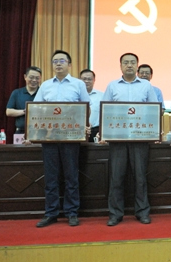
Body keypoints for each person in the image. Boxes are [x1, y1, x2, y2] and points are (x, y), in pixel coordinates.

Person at [32, 50, 90, 228]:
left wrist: (84, 127)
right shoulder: (45, 85)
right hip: (49, 137)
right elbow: (36, 108)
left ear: (69, 64)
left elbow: (86, 108)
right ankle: (51, 213)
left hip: (71, 137)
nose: (58, 63)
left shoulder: (78, 84)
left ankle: (72, 213)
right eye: (55, 61)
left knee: (71, 176)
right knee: (51, 177)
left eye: (62, 61)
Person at [102, 53, 158, 226]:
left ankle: (142, 212)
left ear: (137, 66)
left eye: (132, 62)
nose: (129, 65)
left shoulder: (146, 85)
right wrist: (104, 133)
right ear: (120, 66)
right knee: (116, 177)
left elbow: (154, 109)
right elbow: (105, 110)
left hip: (140, 138)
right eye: (125, 62)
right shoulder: (112, 85)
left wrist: (154, 132)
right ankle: (115, 214)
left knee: (140, 177)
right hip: (117, 139)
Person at [6, 66, 42, 135]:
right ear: (25, 77)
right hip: (21, 131)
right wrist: (25, 111)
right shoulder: (16, 93)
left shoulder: (44, 93)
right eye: (31, 77)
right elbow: (8, 112)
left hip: (40, 131)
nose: (34, 80)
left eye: (37, 78)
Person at [80, 69, 103, 142]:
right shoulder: (75, 96)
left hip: (96, 131)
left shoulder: (102, 96)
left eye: (89, 79)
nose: (86, 81)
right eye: (84, 79)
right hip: (79, 130)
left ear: (94, 80)